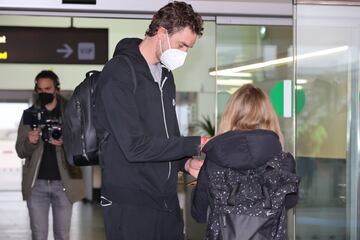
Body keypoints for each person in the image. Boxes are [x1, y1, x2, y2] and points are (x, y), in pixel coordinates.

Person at [93, 1, 205, 240]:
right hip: (130, 203)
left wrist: (184, 163)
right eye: (181, 45)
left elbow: (168, 136)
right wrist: (195, 143)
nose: (184, 53)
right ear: (161, 32)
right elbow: (134, 146)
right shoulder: (118, 72)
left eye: (189, 48)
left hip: (165, 200)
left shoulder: (166, 76)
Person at [191, 84, 299, 239]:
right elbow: (289, 202)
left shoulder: (214, 161)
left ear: (230, 116)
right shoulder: (283, 161)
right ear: (269, 117)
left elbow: (199, 213)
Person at [15, 70, 85, 240]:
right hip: (36, 185)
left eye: (48, 88)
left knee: (63, 235)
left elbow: (84, 146)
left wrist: (65, 142)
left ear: (57, 89)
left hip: (65, 184)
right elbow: (20, 151)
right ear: (36, 90)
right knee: (38, 235)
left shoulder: (71, 113)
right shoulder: (29, 114)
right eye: (40, 89)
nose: (44, 93)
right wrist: (30, 142)